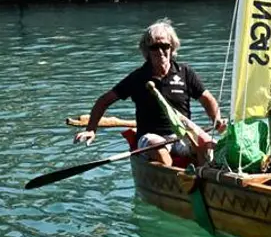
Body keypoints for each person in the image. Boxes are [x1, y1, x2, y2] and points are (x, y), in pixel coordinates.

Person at [74, 19, 226, 167]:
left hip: (181, 134)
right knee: (159, 150)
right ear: (147, 51)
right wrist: (91, 130)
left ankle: (205, 179)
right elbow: (104, 101)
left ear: (172, 48)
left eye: (165, 46)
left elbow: (207, 99)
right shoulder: (138, 77)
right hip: (150, 137)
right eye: (154, 47)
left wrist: (216, 119)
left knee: (208, 145)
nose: (160, 51)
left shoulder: (185, 73)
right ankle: (177, 184)